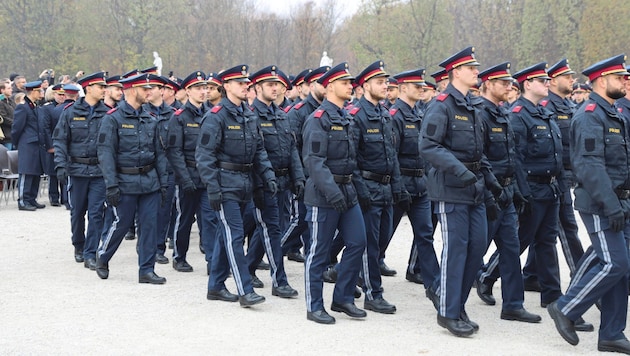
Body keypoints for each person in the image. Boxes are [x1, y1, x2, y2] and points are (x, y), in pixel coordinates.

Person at [547, 54, 630, 354]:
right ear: (600, 81)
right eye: (619, 77)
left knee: (622, 268)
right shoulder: (589, 115)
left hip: (619, 202)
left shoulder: (613, 114)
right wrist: (611, 205)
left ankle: (611, 332)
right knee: (615, 262)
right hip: (599, 203)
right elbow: (590, 167)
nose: (623, 81)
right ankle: (566, 308)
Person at [419, 46, 502, 337]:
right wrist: (461, 171)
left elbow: (480, 151)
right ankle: (448, 311)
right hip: (451, 188)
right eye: (472, 69)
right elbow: (428, 146)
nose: (477, 72)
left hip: (475, 188)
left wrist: (490, 180)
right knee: (456, 250)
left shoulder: (473, 106)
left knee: (476, 248)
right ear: (457, 72)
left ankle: (458, 304)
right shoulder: (441, 105)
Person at [195, 64, 275, 307]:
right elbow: (204, 156)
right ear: (226, 86)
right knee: (235, 235)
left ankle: (216, 286)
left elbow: (259, 150)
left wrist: (268, 175)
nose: (245, 86)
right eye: (240, 83)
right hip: (224, 184)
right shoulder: (216, 116)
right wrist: (213, 188)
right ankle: (245, 289)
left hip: (245, 183)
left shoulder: (249, 115)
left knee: (225, 235)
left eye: (246, 83)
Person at [473, 62, 541, 323]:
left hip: (507, 193)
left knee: (511, 250)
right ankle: (445, 295)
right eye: (502, 83)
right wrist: (492, 192)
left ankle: (513, 304)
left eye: (510, 83)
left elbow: (513, 157)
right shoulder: (479, 114)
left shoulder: (503, 114)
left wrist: (521, 191)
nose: (509, 87)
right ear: (488, 84)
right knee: (474, 250)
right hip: (488, 194)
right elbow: (478, 158)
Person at [302, 62, 367, 324]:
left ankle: (342, 298)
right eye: (344, 83)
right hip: (323, 195)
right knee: (319, 251)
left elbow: (353, 159)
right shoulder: (318, 120)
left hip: (347, 192)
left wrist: (354, 190)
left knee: (357, 242)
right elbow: (314, 162)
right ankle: (314, 305)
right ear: (330, 87)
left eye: (350, 82)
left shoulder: (347, 117)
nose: (350, 86)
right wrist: (333, 193)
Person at [96, 73, 169, 284]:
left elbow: (159, 154)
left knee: (149, 226)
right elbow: (106, 154)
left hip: (149, 181)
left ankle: (146, 270)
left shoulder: (150, 119)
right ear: (131, 89)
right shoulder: (112, 119)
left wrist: (163, 183)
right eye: (144, 89)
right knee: (122, 223)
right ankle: (103, 256)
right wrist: (111, 185)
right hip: (125, 181)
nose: (149, 92)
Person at [523, 59, 584, 289]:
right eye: (566, 76)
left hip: (564, 175)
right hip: (549, 178)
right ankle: (582, 283)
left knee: (540, 234)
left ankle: (530, 275)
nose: (572, 80)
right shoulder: (545, 107)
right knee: (565, 230)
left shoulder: (567, 106)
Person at [245, 65, 303, 298]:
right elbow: (253, 154)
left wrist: (297, 177)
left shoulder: (281, 114)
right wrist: (260, 184)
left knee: (267, 229)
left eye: (277, 84)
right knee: (272, 229)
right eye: (270, 84)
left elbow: (292, 151)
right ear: (257, 88)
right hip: (263, 183)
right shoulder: (251, 116)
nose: (275, 88)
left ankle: (248, 268)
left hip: (282, 182)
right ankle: (279, 281)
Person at [349, 60, 401, 314]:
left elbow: (392, 154)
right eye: (379, 82)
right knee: (369, 244)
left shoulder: (384, 114)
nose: (385, 86)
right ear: (365, 85)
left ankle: (351, 275)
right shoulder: (356, 115)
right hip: (368, 187)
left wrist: (398, 186)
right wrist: (362, 190)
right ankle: (373, 293)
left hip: (386, 188)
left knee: (381, 241)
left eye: (386, 82)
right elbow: (352, 158)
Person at [388, 68, 440, 291]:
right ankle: (346, 272)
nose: (421, 89)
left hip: (420, 186)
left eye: (422, 86)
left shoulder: (418, 114)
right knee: (382, 237)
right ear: (402, 89)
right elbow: (391, 156)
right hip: (400, 187)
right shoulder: (394, 117)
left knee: (425, 235)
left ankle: (436, 285)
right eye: (416, 85)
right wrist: (398, 187)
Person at [53, 73, 108, 268]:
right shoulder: (70, 111)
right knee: (77, 212)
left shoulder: (107, 113)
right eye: (100, 86)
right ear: (88, 88)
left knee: (96, 213)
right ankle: (78, 244)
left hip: (99, 171)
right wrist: (60, 164)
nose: (104, 89)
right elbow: (60, 140)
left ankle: (90, 252)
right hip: (76, 170)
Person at [166, 71, 215, 273]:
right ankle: (179, 256)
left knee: (210, 219)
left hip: (206, 176)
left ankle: (213, 261)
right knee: (184, 219)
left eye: (205, 88)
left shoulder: (212, 114)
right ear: (188, 91)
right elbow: (174, 151)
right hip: (187, 175)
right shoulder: (179, 117)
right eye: (198, 88)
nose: (203, 92)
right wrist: (184, 178)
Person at [282, 65, 330, 261]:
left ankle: (318, 261)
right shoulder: (298, 112)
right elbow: (292, 148)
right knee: (301, 220)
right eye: (322, 83)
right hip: (306, 176)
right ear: (311, 86)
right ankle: (274, 249)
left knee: (316, 222)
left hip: (324, 177)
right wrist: (300, 178)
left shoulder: (331, 110)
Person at [143, 75, 175, 265]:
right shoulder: (141, 112)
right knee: (146, 212)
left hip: (168, 169)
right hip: (147, 168)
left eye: (152, 88)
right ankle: (146, 245)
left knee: (164, 211)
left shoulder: (173, 114)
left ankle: (158, 247)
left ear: (162, 91)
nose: (148, 91)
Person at [11, 80, 46, 211]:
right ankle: (23, 200)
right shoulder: (23, 107)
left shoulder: (34, 106)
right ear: (33, 91)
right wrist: (17, 143)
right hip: (27, 144)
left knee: (35, 172)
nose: (41, 93)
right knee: (26, 172)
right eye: (39, 91)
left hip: (36, 144)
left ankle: (31, 198)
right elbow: (17, 128)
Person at [39, 84, 66, 206]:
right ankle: (54, 197)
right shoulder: (47, 108)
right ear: (54, 94)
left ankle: (65, 198)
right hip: (53, 144)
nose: (62, 97)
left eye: (64, 94)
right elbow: (45, 128)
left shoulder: (68, 107)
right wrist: (50, 146)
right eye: (59, 94)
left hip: (65, 145)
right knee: (53, 173)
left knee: (65, 172)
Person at [0, 81, 16, 149]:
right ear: (2, 90)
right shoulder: (1, 102)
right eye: (9, 88)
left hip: (14, 134)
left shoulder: (11, 101)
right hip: (6, 135)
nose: (11, 90)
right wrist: (15, 123)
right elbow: (4, 118)